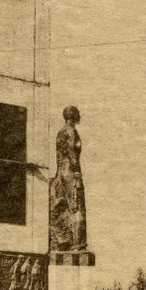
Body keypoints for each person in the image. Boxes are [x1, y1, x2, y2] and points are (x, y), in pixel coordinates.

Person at [48, 105, 87, 252]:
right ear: (73, 116)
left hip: (61, 171)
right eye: (78, 113)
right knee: (76, 206)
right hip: (71, 171)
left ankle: (63, 241)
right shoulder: (71, 131)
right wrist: (77, 172)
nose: (80, 116)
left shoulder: (60, 132)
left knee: (64, 206)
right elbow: (72, 151)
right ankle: (77, 244)